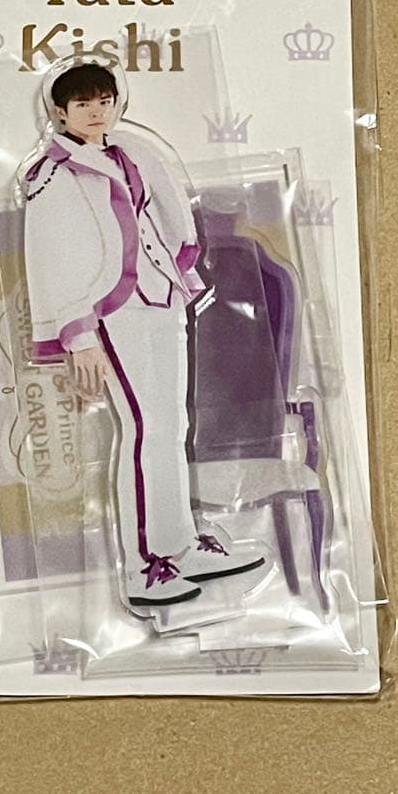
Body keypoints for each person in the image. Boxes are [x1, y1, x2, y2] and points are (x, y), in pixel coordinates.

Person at [23, 60, 265, 607]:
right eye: (83, 104)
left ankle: (180, 545)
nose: (96, 112)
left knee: (171, 426)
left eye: (104, 101)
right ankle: (142, 565)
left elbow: (163, 216)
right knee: (142, 428)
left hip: (162, 297)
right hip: (112, 309)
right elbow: (53, 256)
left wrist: (179, 270)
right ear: (60, 112)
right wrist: (78, 335)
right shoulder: (52, 174)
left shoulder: (133, 152)